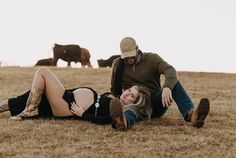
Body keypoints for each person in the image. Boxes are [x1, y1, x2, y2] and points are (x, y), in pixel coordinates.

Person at [0, 67, 152, 130]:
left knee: (43, 71)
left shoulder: (126, 110)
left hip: (68, 106)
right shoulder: (115, 98)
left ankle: (30, 110)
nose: (128, 94)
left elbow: (108, 120)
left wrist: (83, 115)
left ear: (135, 103)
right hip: (67, 97)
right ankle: (7, 107)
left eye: (132, 96)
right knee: (32, 95)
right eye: (130, 90)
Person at [111, 36, 210, 128]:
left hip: (155, 103)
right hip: (134, 103)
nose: (129, 60)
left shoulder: (152, 59)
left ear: (137, 49)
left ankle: (192, 115)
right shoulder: (117, 64)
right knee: (132, 110)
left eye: (132, 56)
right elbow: (114, 88)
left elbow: (170, 70)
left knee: (174, 83)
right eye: (126, 57)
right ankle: (122, 121)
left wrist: (167, 87)